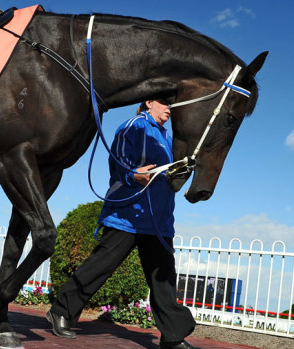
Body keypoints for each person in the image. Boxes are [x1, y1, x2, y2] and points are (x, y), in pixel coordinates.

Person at [46, 100, 200, 349]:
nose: (170, 107)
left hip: (158, 220)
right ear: (149, 102)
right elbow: (118, 163)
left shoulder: (167, 138)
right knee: (100, 266)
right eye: (164, 102)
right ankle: (61, 311)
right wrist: (132, 175)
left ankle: (172, 337)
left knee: (164, 279)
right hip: (128, 214)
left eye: (172, 103)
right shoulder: (133, 126)